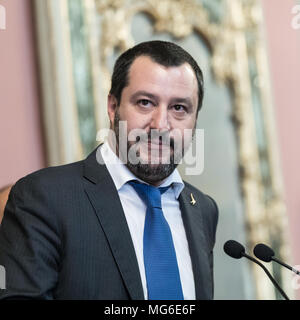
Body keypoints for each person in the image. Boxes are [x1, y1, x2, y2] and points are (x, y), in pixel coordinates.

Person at [0, 40, 218, 300]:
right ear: (113, 108)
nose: (161, 125)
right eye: (146, 102)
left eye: (179, 108)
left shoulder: (203, 210)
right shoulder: (44, 197)